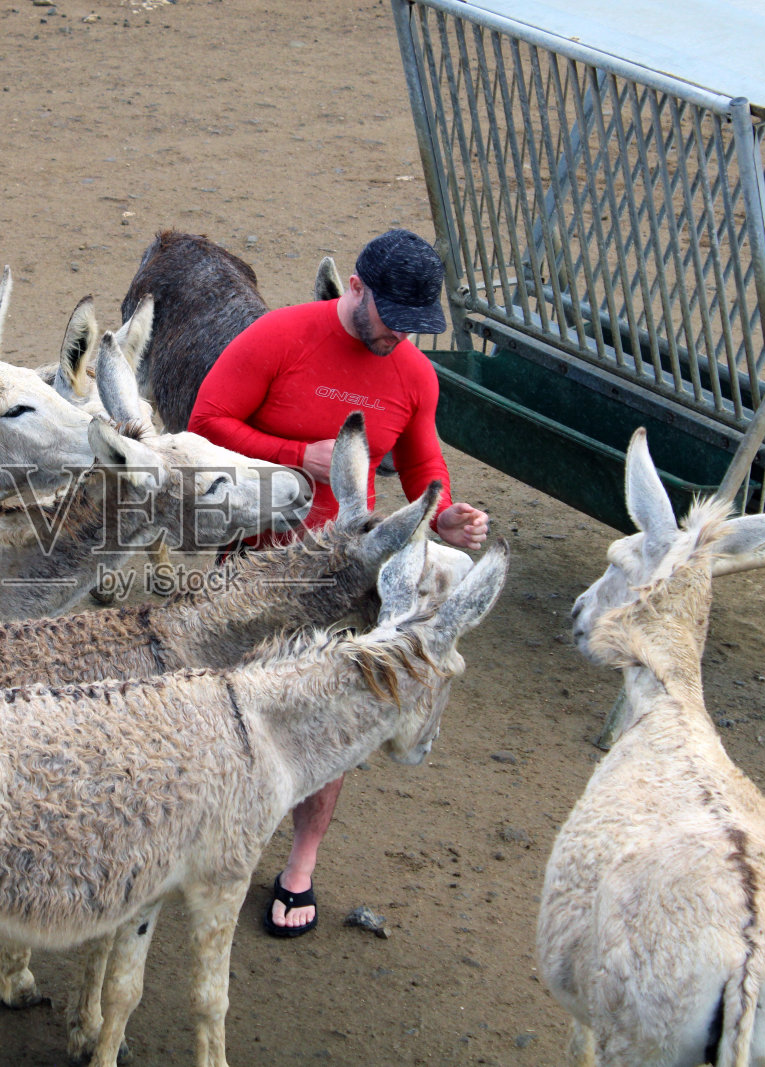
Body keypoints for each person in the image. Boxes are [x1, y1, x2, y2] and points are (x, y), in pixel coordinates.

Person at [186, 227, 489, 937]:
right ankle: (208, 835)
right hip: (253, 561)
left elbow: (422, 466)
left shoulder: (414, 375)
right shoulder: (280, 337)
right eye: (392, 318)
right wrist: (299, 455)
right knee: (223, 704)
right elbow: (206, 422)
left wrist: (443, 516)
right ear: (356, 288)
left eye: (415, 324)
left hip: (345, 576)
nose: (400, 336)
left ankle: (301, 864)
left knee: (328, 722)